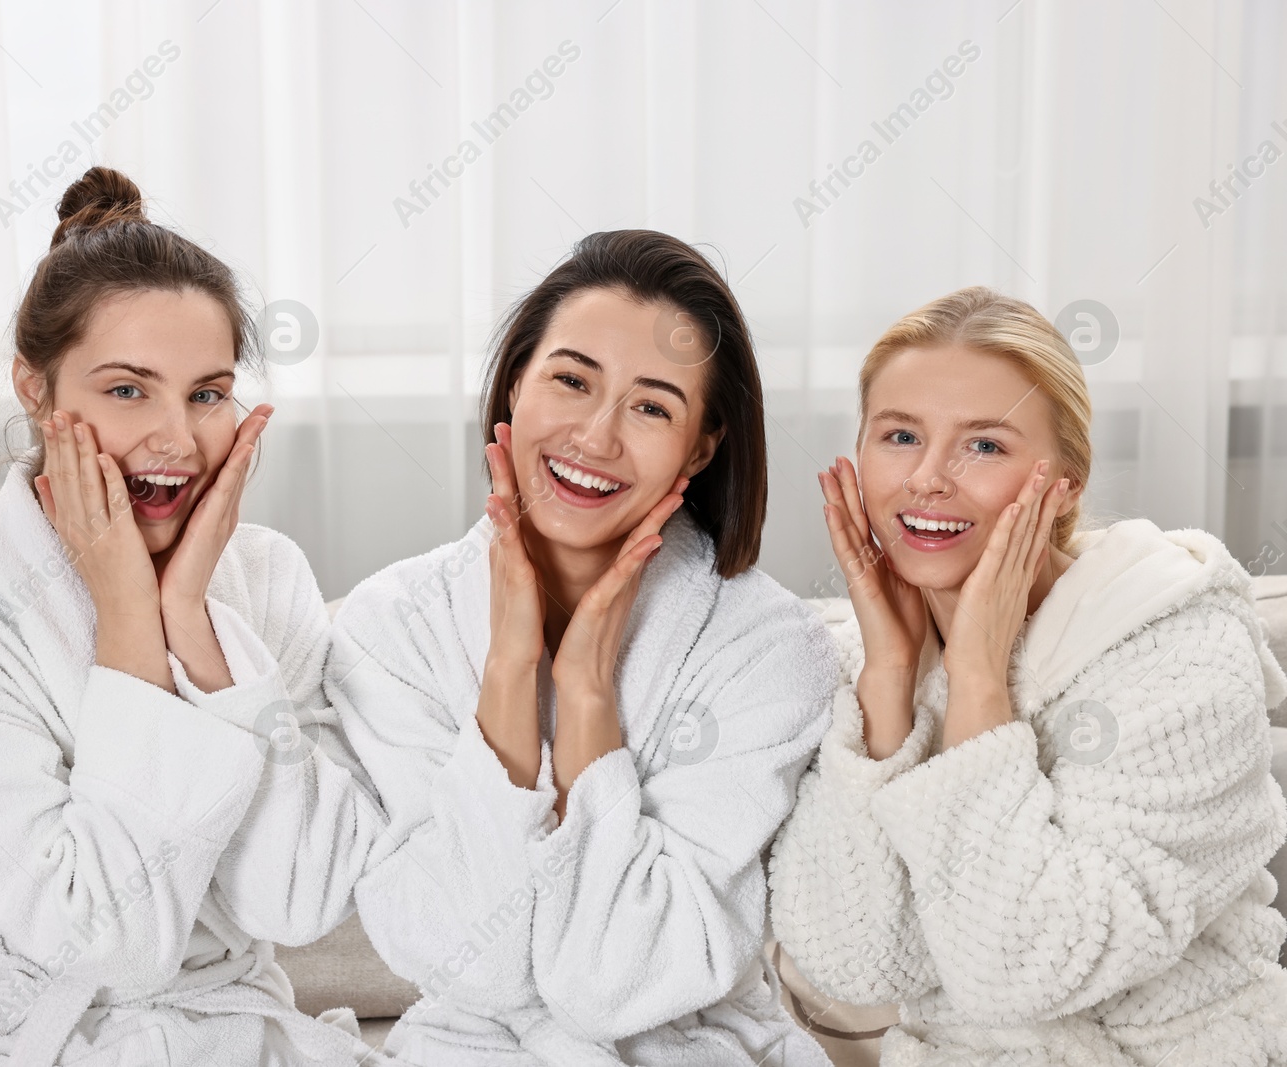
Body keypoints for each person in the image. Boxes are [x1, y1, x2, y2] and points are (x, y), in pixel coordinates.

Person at [0, 167, 387, 1066]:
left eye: (207, 393)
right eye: (129, 390)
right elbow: (107, 947)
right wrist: (132, 620)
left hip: (245, 1035)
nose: (176, 437)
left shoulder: (267, 579)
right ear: (35, 387)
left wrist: (193, 623)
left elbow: (299, 897)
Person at [327, 229, 838, 1065]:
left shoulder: (767, 648)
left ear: (701, 446)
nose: (596, 438)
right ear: (517, 381)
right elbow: (470, 964)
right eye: (571, 380)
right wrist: (506, 675)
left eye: (651, 407)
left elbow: (615, 985)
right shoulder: (396, 626)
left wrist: (589, 692)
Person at [769, 285, 1287, 1065]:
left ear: (1065, 486)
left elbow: (1027, 967)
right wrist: (890, 683)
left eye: (985, 445)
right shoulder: (863, 662)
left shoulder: (1184, 650)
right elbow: (855, 959)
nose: (928, 479)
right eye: (900, 434)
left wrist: (979, 682)